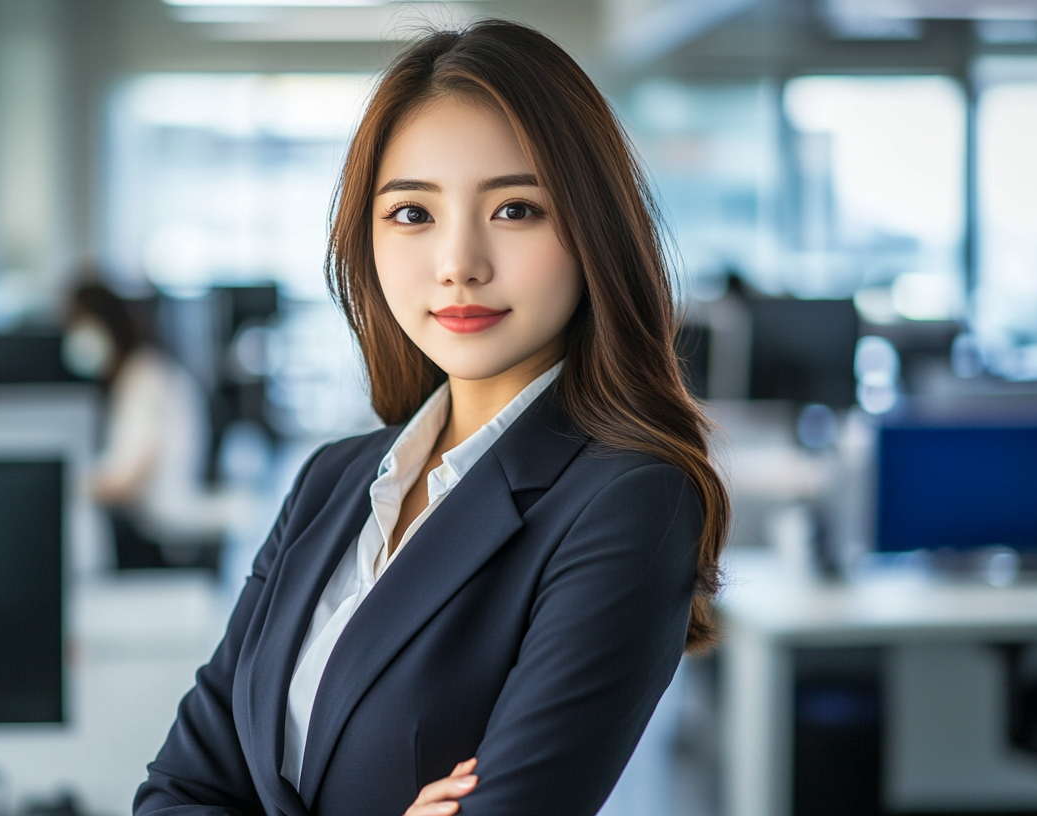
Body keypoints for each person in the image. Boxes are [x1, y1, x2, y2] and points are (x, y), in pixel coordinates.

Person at [134, 19, 729, 816]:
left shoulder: (627, 502)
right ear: (367, 241)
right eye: (412, 213)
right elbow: (177, 790)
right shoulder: (332, 481)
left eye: (516, 209)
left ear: (593, 231)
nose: (458, 263)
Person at [64, 281, 221, 567]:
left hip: (158, 534)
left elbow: (128, 480)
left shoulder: (144, 379)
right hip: (152, 528)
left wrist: (58, 482)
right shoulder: (141, 374)